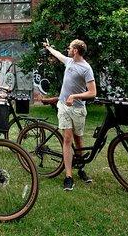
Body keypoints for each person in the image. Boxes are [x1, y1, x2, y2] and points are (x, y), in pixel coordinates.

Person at [43, 39, 97, 191]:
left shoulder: (86, 68)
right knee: (67, 139)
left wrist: (75, 96)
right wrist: (48, 47)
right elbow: (57, 54)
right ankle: (68, 176)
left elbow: (92, 92)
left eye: (70, 47)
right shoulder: (69, 62)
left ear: (75, 51)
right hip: (63, 107)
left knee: (79, 141)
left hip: (78, 109)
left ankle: (80, 168)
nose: (67, 49)